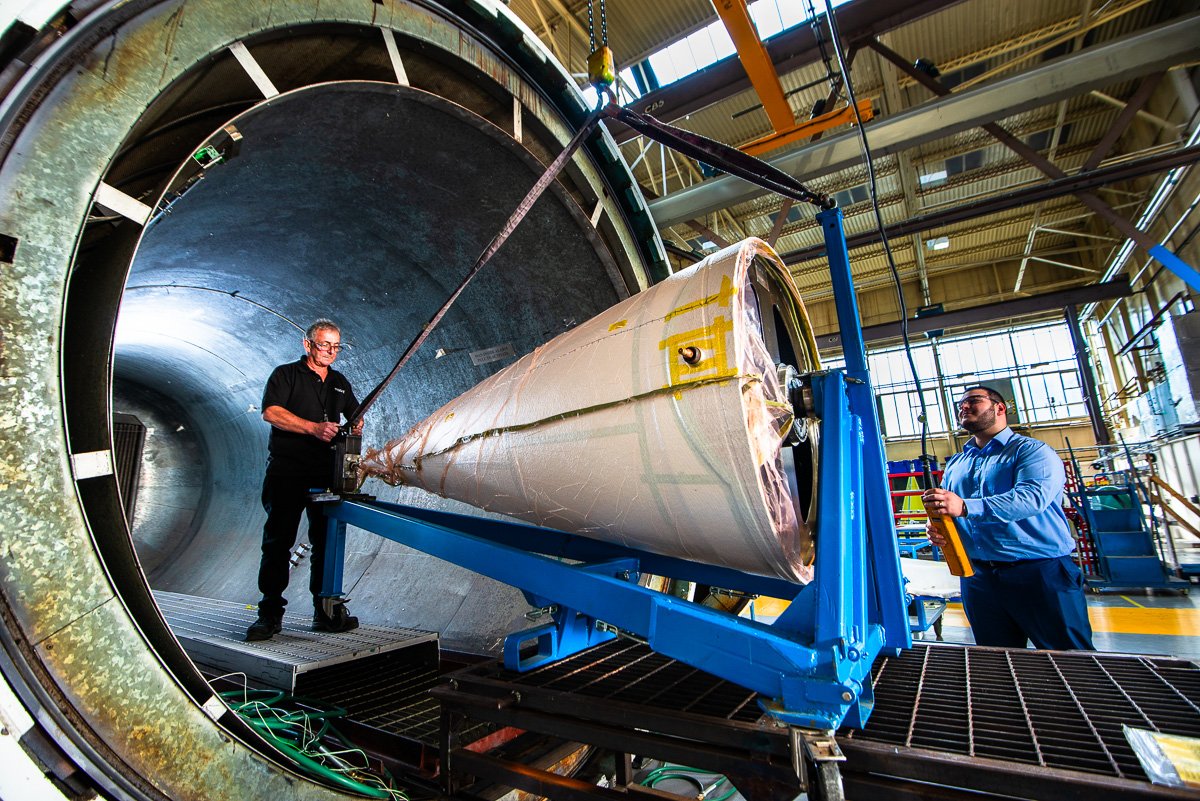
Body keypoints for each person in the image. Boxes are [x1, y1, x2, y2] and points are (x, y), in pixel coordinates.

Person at [922, 385, 1094, 650]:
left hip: (1039, 572)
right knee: (997, 657)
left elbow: (1031, 499)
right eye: (960, 404)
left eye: (973, 401)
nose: (964, 407)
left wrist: (964, 507)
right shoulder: (958, 463)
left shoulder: (1032, 452)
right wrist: (940, 529)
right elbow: (952, 509)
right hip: (979, 576)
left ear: (999, 408)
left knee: (1068, 657)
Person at [246, 319, 363, 641]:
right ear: (308, 344)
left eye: (336, 346)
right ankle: (269, 615)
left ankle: (324, 613)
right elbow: (271, 412)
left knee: (325, 545)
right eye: (324, 344)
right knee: (277, 543)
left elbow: (354, 413)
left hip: (325, 474)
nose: (330, 351)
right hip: (287, 472)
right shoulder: (286, 375)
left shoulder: (339, 382)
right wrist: (312, 428)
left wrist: (356, 424)